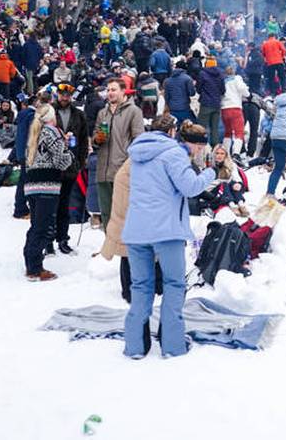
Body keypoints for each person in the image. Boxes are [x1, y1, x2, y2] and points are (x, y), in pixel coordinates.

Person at [121, 115, 216, 358]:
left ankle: (135, 346)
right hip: (166, 230)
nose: (198, 151)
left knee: (141, 286)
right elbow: (190, 187)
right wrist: (210, 174)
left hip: (136, 229)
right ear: (182, 137)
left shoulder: (139, 153)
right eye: (199, 147)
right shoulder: (174, 153)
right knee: (174, 284)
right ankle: (173, 345)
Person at [22, 104, 72, 280]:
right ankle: (35, 268)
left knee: (36, 225)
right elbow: (61, 161)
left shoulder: (34, 133)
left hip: (31, 185)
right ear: (52, 117)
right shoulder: (52, 132)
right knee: (44, 227)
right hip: (47, 185)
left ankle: (30, 262)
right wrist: (69, 150)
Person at [92, 79, 144, 232]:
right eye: (108, 90)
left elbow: (139, 141)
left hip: (123, 170)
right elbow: (95, 137)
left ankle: (127, 250)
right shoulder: (102, 113)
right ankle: (112, 245)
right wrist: (97, 139)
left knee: (124, 213)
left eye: (113, 90)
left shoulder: (134, 111)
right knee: (107, 213)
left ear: (123, 91)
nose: (110, 93)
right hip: (103, 170)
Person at [52, 83, 89, 254]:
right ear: (58, 95)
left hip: (70, 167)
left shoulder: (79, 115)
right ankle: (47, 241)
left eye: (67, 95)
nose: (64, 98)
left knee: (64, 205)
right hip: (50, 167)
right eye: (62, 95)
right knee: (49, 206)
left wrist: (80, 163)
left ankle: (63, 239)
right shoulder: (49, 112)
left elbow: (83, 142)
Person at [220, 65, 250, 158]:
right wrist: (248, 94)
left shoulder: (223, 81)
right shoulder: (237, 79)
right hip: (235, 108)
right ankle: (236, 154)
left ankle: (225, 153)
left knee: (227, 132)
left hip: (224, 109)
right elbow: (243, 89)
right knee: (239, 132)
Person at [196, 55, 226, 146]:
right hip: (216, 104)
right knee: (214, 128)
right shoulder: (220, 74)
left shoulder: (202, 74)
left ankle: (202, 147)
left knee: (202, 128)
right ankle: (215, 148)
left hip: (205, 103)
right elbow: (223, 90)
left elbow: (198, 88)